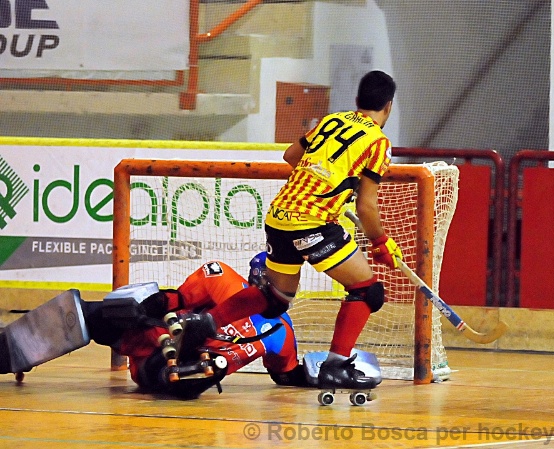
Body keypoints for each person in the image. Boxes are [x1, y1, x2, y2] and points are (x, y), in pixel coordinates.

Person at [210, 70, 402, 391]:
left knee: (275, 298)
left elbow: (291, 156)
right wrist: (381, 242)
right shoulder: (379, 143)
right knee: (367, 290)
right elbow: (367, 206)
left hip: (279, 215)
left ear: (357, 100)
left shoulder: (332, 120)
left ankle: (206, 323)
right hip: (312, 221)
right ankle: (336, 366)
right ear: (388, 106)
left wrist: (324, 180)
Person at [0, 253, 310, 399]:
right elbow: (173, 299)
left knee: (203, 370)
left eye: (289, 282)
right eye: (279, 280)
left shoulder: (283, 333)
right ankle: (8, 351)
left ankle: (185, 372)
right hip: (150, 335)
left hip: (167, 367)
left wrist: (325, 370)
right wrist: (143, 306)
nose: (285, 287)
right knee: (85, 315)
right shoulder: (223, 279)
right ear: (258, 279)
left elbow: (286, 374)